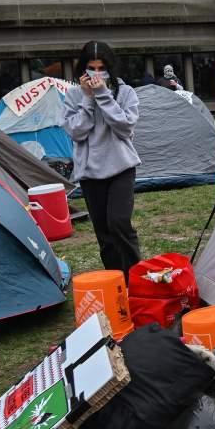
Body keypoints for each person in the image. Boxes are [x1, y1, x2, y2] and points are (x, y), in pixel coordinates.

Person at [62, 41, 142, 279]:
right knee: (104, 235)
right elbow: (76, 132)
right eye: (91, 68)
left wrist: (104, 96)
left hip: (121, 167)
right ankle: (116, 281)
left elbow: (125, 128)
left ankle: (135, 279)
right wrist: (88, 100)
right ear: (82, 69)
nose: (97, 74)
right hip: (89, 173)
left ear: (110, 67)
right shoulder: (74, 95)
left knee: (119, 223)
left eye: (102, 68)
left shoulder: (125, 92)